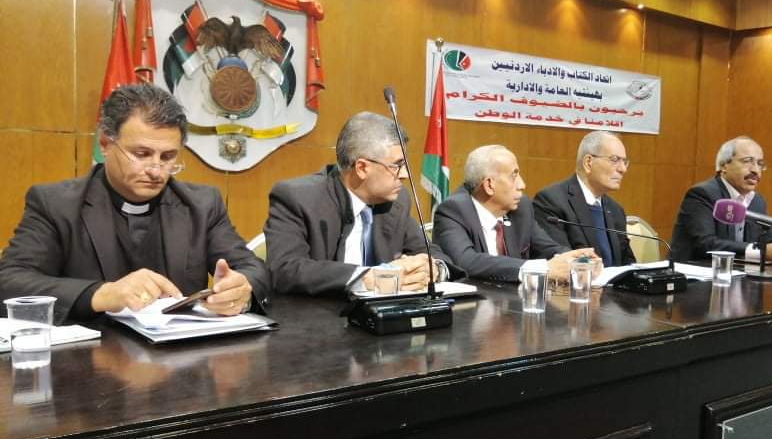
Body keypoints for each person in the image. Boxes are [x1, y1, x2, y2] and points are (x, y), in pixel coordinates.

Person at [0, 83, 269, 322]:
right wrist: (102, 294)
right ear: (105, 144)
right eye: (141, 154)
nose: (156, 170)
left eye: (168, 157)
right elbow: (9, 281)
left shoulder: (201, 204)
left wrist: (239, 289)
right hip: (93, 353)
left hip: (180, 352)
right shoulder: (56, 204)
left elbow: (253, 269)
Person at [265, 111, 459, 296]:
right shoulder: (298, 198)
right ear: (362, 168)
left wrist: (433, 269)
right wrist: (368, 277)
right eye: (397, 165)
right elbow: (285, 269)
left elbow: (430, 252)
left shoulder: (398, 200)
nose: (405, 175)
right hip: (321, 313)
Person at [433, 145, 600, 282]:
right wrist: (541, 269)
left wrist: (576, 260)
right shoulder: (453, 210)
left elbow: (547, 248)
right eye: (514, 176)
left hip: (514, 303)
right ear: (489, 185)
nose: (522, 185)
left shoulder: (521, 208)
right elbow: (465, 262)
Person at [669, 136, 772, 262]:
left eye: (760, 164)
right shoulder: (703, 194)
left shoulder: (756, 200)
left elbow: (768, 235)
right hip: (694, 277)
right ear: (724, 165)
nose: (755, 170)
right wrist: (760, 252)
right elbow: (705, 244)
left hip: (736, 275)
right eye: (747, 161)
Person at [534, 130, 636, 267]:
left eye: (624, 162)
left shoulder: (615, 210)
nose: (623, 169)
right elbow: (561, 260)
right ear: (588, 162)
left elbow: (628, 263)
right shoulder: (551, 202)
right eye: (615, 160)